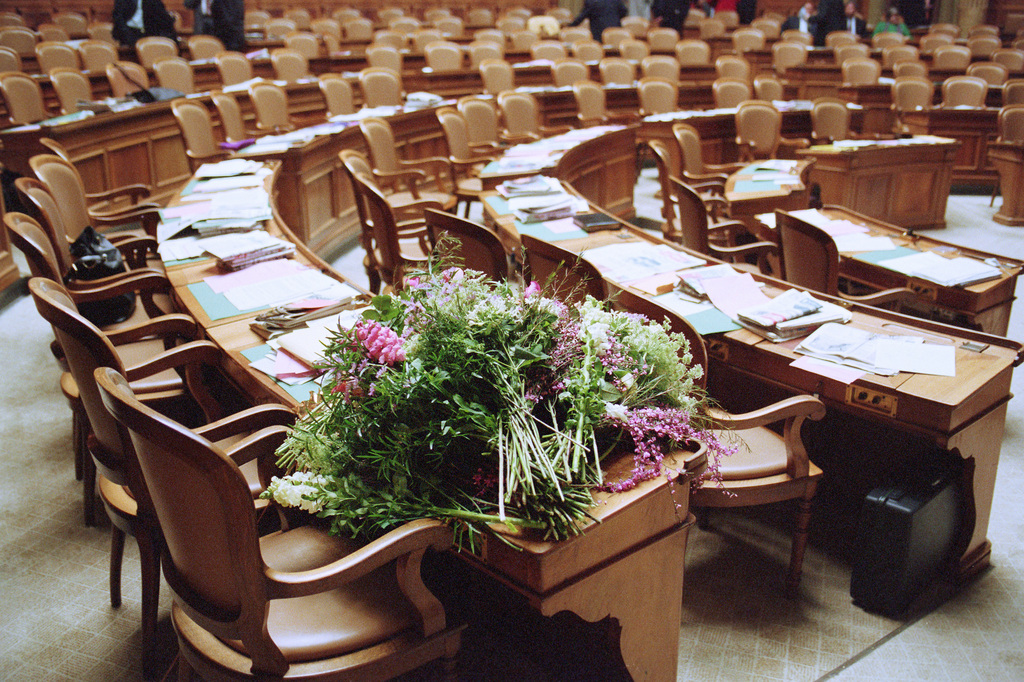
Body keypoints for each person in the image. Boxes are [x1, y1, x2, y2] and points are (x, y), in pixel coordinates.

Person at [112, 0, 177, 46]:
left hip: (149, 34)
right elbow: (118, 19)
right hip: (129, 33)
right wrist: (128, 37)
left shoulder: (154, 1)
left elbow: (163, 19)